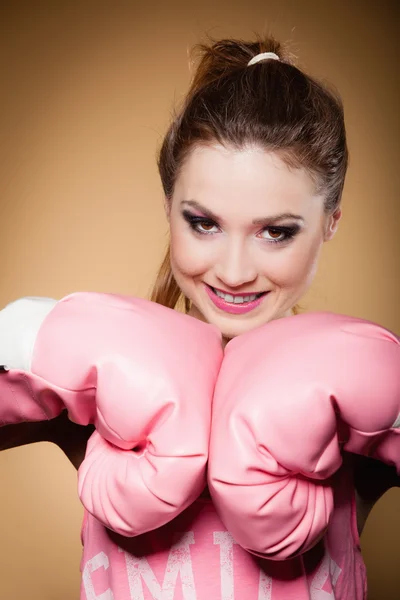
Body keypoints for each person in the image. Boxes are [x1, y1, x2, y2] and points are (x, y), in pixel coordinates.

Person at [1, 35, 399, 600]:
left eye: (276, 231)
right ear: (169, 207)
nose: (234, 271)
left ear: (331, 221)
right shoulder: (94, 400)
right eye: (204, 223)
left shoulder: (354, 423)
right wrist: (36, 337)